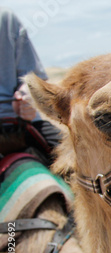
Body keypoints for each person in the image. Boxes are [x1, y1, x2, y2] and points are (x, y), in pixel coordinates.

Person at [0, 7, 60, 162]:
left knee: (75, 154)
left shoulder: (6, 18)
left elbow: (31, 78)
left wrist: (27, 96)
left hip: (21, 122)